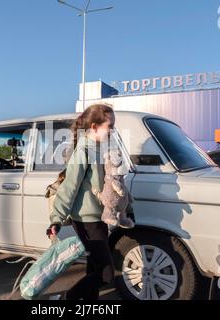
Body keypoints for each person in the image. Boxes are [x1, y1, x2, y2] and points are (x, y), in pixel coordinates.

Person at [47, 103, 134, 300]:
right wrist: (56, 219)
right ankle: (67, 298)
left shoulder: (105, 148)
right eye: (109, 125)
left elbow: (117, 184)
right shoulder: (83, 151)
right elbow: (69, 186)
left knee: (94, 267)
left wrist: (128, 208)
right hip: (86, 220)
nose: (113, 130)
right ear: (94, 127)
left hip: (100, 217)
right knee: (106, 274)